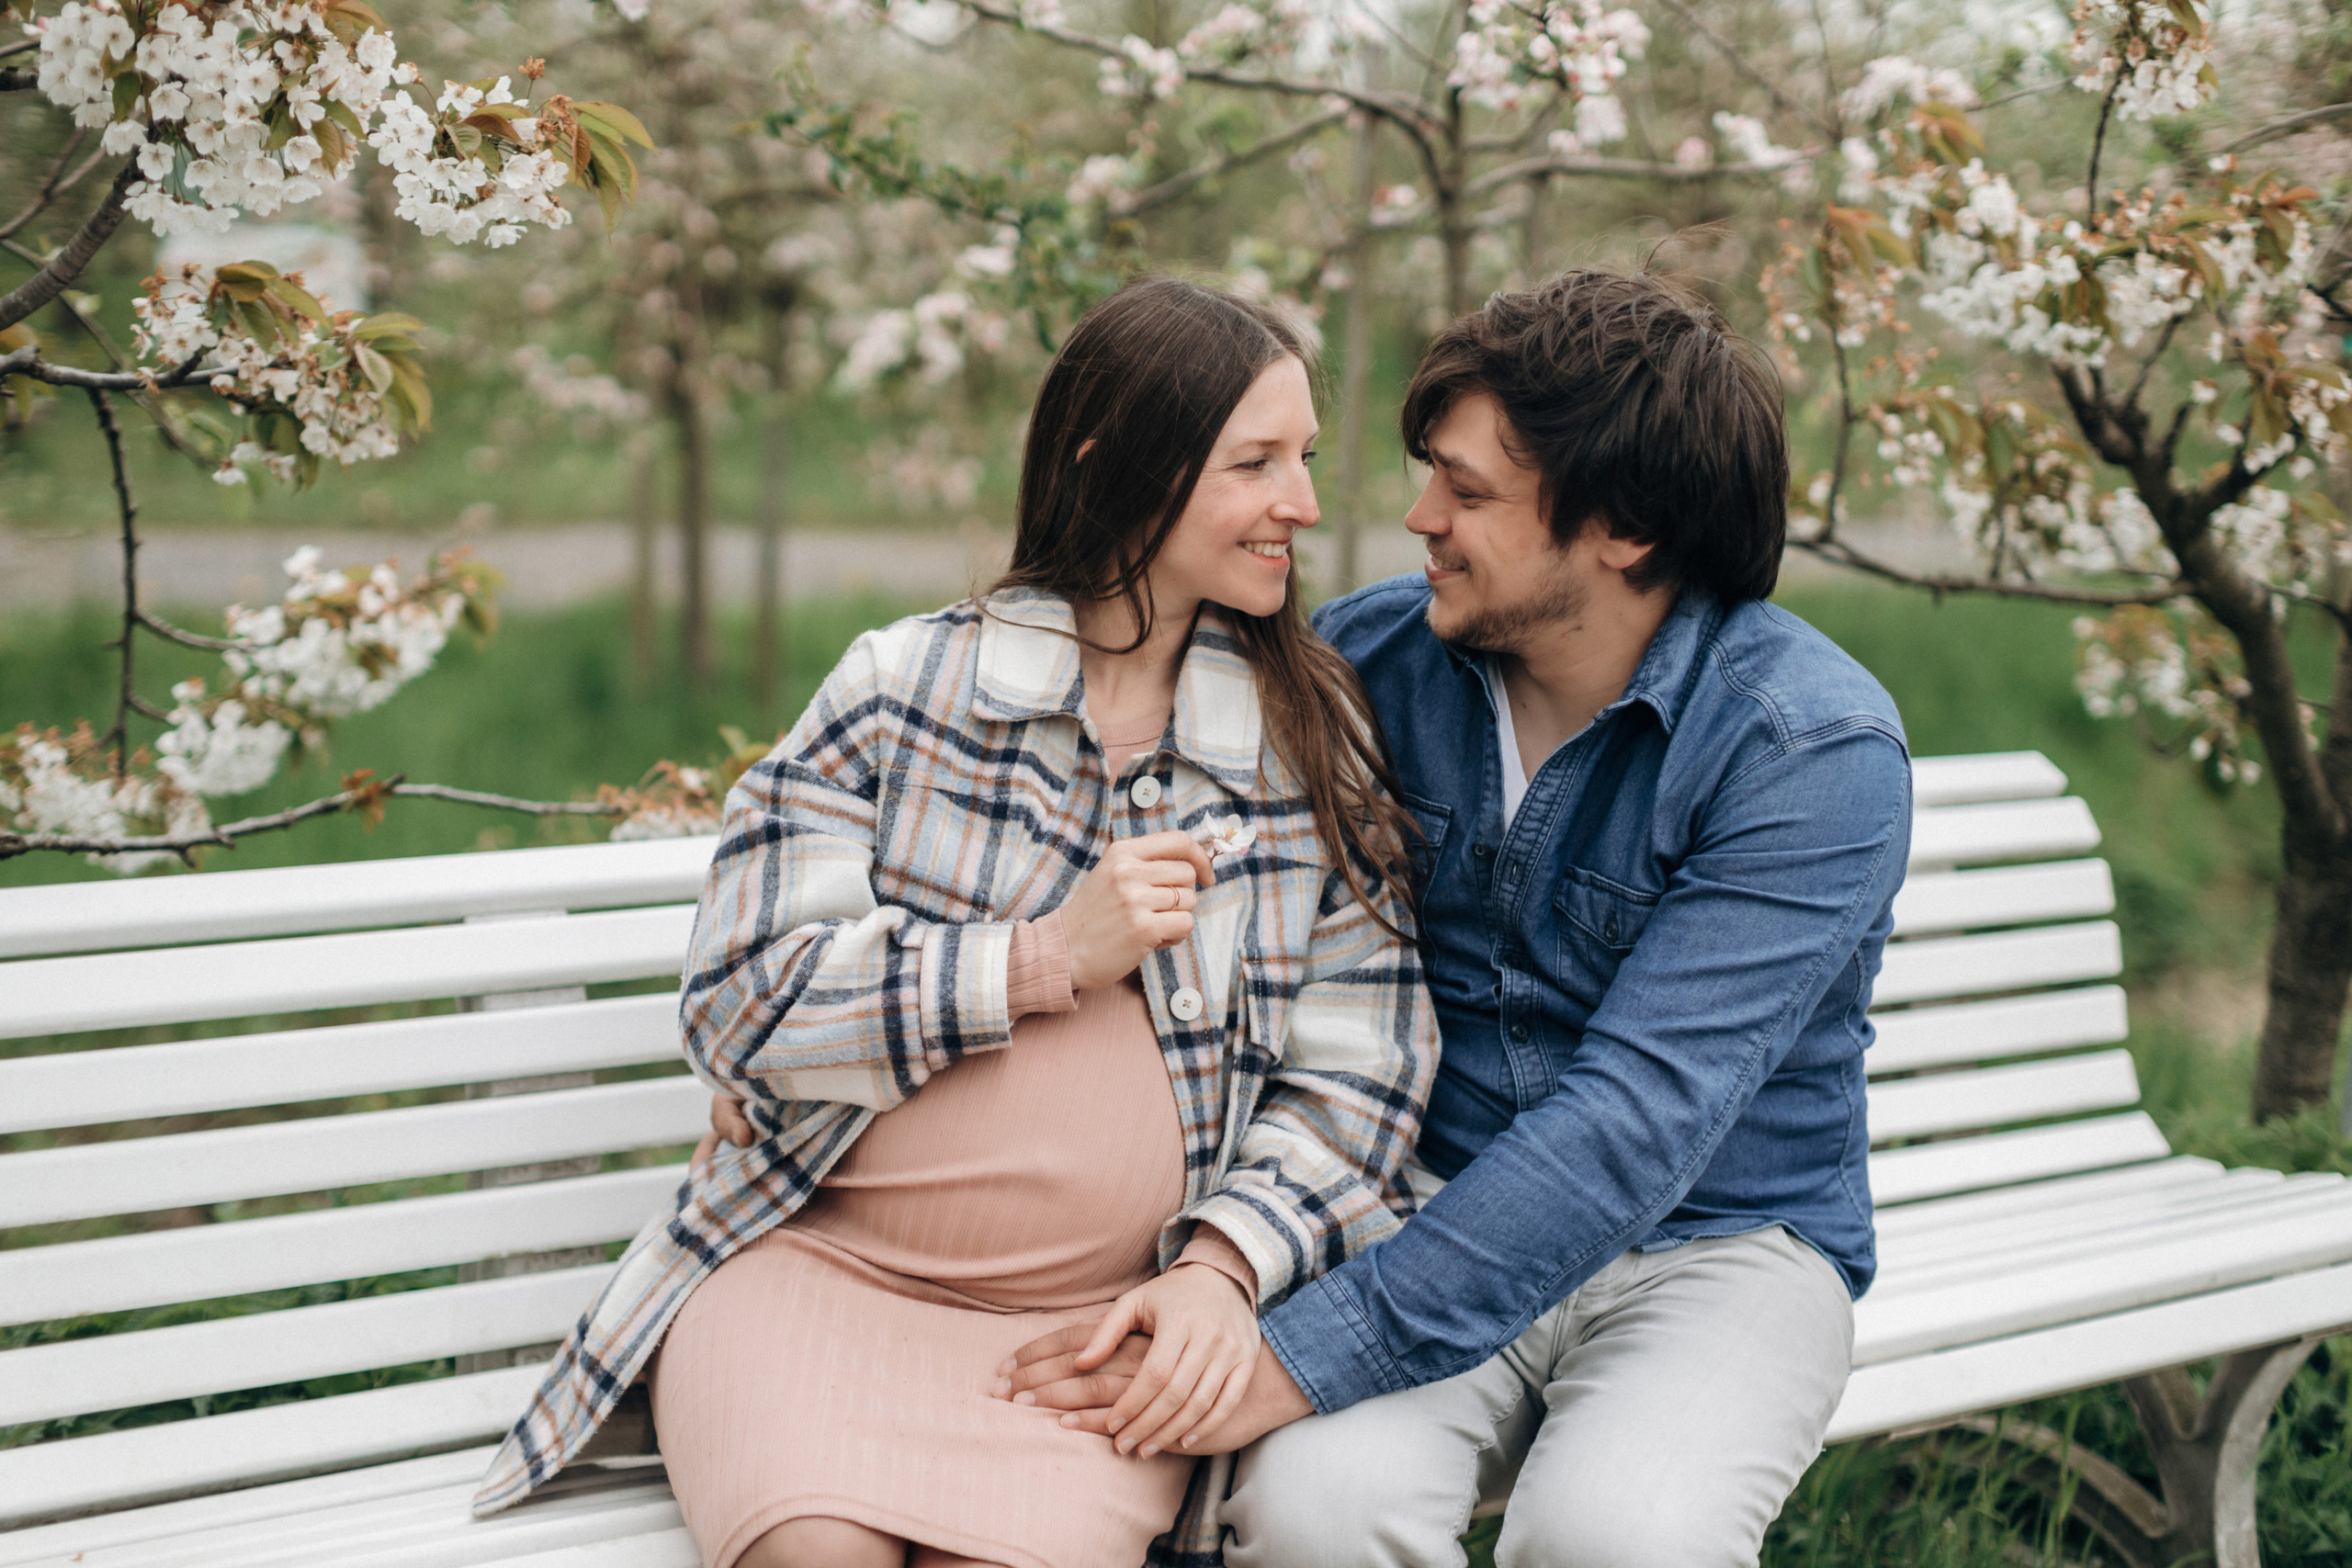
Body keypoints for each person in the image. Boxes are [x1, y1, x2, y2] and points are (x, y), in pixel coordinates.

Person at [468, 276, 1438, 1568]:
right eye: (1255, 463)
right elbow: (742, 997)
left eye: (1303, 458)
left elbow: (1364, 1075)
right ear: (1115, 467)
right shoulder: (905, 690)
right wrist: (1044, 957)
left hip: (1090, 1333)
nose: (1303, 504)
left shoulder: (1310, 738)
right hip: (818, 1281)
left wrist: (1221, 1267)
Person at [1001, 267, 1914, 1568]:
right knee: (1313, 1515)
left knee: (1616, 1541)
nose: (1418, 517)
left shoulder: (1806, 749)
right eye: (1431, 472)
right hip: (1419, 1206)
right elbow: (1101, 781)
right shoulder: (1367, 666)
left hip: (1722, 1246)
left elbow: (1636, 1123)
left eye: (1468, 493)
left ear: (1628, 526)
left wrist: (1293, 1362)